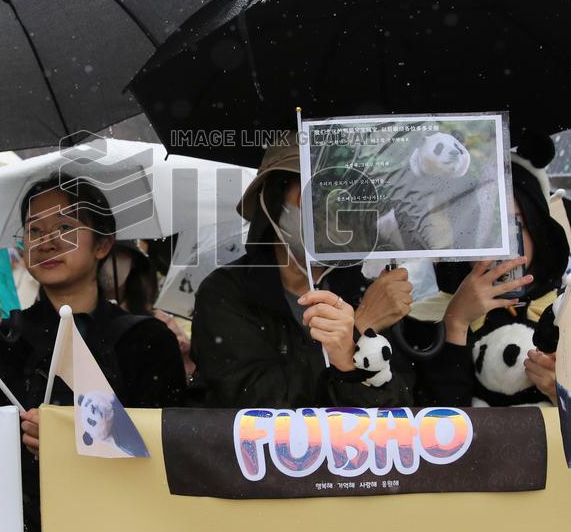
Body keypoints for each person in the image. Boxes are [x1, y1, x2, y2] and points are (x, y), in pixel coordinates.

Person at [0, 174, 185, 532]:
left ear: (102, 244)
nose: (47, 241)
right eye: (34, 230)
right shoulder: (3, 337)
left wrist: (80, 444)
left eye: (66, 228)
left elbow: (168, 448)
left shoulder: (146, 340)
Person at [190, 135, 473, 409]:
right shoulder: (225, 293)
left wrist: (357, 353)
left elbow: (395, 407)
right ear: (274, 197)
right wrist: (359, 328)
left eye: (342, 194)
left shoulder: (367, 287)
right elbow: (258, 404)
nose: (329, 207)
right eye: (313, 193)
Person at [437, 146, 571, 405]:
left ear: (537, 226)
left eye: (512, 225)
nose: (500, 245)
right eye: (481, 226)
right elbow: (440, 425)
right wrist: (455, 324)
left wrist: (565, 393)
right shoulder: (425, 320)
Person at [99, 240, 196, 380]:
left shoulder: (157, 322)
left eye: (118, 254)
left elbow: (185, 367)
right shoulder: (79, 319)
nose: (108, 262)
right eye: (104, 254)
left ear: (133, 262)